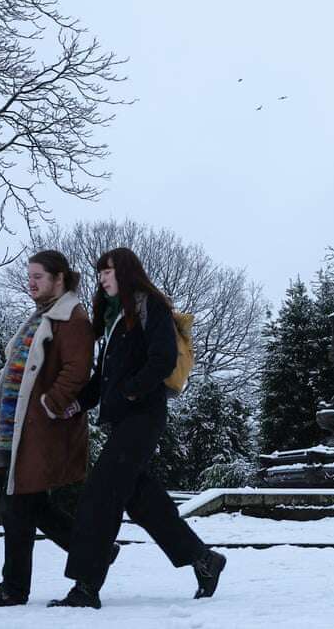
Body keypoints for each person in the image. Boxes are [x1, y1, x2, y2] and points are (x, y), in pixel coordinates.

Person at [48, 247, 226, 609]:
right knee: (143, 502)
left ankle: (86, 586)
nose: (102, 278)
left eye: (108, 271)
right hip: (124, 421)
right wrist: (78, 403)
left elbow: (163, 359)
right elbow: (102, 379)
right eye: (99, 273)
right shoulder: (116, 320)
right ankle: (204, 560)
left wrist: (132, 390)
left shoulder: (150, 306)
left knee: (101, 495)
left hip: (143, 417)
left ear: (126, 271)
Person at [0, 250, 116, 608]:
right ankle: (96, 551)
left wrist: (51, 405)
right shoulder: (45, 314)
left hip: (42, 429)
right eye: (29, 276)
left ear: (59, 278)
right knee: (33, 507)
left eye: (38, 277)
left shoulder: (72, 317)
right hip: (22, 428)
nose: (30, 282)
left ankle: (13, 588)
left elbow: (77, 371)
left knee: (15, 506)